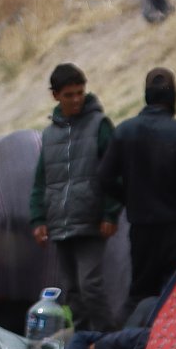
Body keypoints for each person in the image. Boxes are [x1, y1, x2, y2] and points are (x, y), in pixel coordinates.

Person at [98, 67, 176, 311]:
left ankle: (132, 332)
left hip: (141, 228)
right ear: (173, 97)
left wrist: (129, 199)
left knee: (140, 293)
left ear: (146, 96)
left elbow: (104, 177)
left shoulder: (124, 131)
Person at [29, 62, 119, 332]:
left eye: (80, 93)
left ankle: (107, 339)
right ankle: (82, 339)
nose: (76, 99)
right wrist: (38, 219)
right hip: (61, 223)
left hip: (91, 221)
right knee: (72, 290)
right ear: (55, 95)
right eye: (69, 95)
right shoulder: (50, 135)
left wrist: (110, 212)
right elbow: (42, 179)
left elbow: (116, 172)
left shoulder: (100, 125)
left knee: (90, 285)